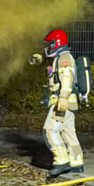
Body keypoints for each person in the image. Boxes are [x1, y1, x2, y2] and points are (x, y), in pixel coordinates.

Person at [29, 29, 83, 176]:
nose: (47, 47)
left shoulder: (64, 58)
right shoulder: (59, 58)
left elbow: (67, 78)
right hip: (66, 102)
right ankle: (76, 162)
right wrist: (39, 59)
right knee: (68, 133)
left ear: (55, 43)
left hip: (62, 102)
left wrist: (63, 97)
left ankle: (61, 161)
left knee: (50, 130)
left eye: (49, 44)